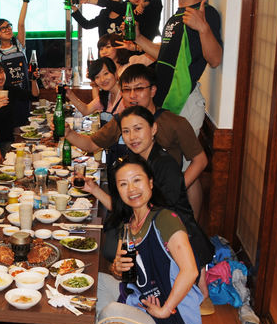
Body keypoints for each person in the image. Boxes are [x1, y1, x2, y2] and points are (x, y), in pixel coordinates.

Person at [83, 154, 211, 324]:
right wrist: (116, 268)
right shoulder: (129, 224)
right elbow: (125, 276)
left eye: (137, 180)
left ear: (150, 182)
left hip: (171, 321)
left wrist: (165, 309)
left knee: (112, 312)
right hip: (143, 301)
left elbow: (190, 271)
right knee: (98, 280)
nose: (131, 189)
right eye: (123, 184)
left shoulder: (166, 219)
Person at [83, 105, 214, 303]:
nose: (132, 137)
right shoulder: (135, 160)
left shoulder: (165, 164)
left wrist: (127, 240)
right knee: (110, 244)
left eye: (138, 129)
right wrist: (93, 189)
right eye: (126, 131)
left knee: (115, 247)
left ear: (153, 129)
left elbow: (163, 217)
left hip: (175, 235)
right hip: (149, 227)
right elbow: (124, 207)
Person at [64, 65, 207, 217]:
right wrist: (68, 133)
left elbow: (200, 160)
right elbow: (91, 144)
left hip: (164, 203)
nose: (132, 95)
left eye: (139, 89)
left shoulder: (175, 123)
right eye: (127, 90)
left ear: (152, 90)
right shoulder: (121, 120)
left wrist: (176, 188)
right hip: (133, 198)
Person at [132, 0, 223, 133]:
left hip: (183, 100)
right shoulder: (175, 17)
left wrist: (203, 28)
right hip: (164, 100)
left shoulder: (205, 13)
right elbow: (165, 56)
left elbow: (215, 60)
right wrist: (138, 38)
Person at [0, 0, 41, 128]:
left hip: (24, 93)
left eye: (8, 26)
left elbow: (21, 24)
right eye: (3, 28)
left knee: (25, 125)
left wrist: (25, 1)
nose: (8, 29)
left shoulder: (19, 45)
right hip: (7, 97)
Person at [65, 57, 124, 127]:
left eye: (106, 73)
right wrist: (70, 94)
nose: (102, 80)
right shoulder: (106, 95)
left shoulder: (125, 95)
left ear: (115, 73)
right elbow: (86, 110)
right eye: (97, 77)